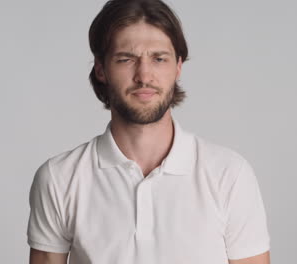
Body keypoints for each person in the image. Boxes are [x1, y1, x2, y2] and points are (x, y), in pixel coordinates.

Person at [26, 0, 271, 263]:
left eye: (158, 58)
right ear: (101, 69)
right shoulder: (59, 178)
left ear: (178, 66)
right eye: (126, 59)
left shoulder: (229, 175)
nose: (144, 75)